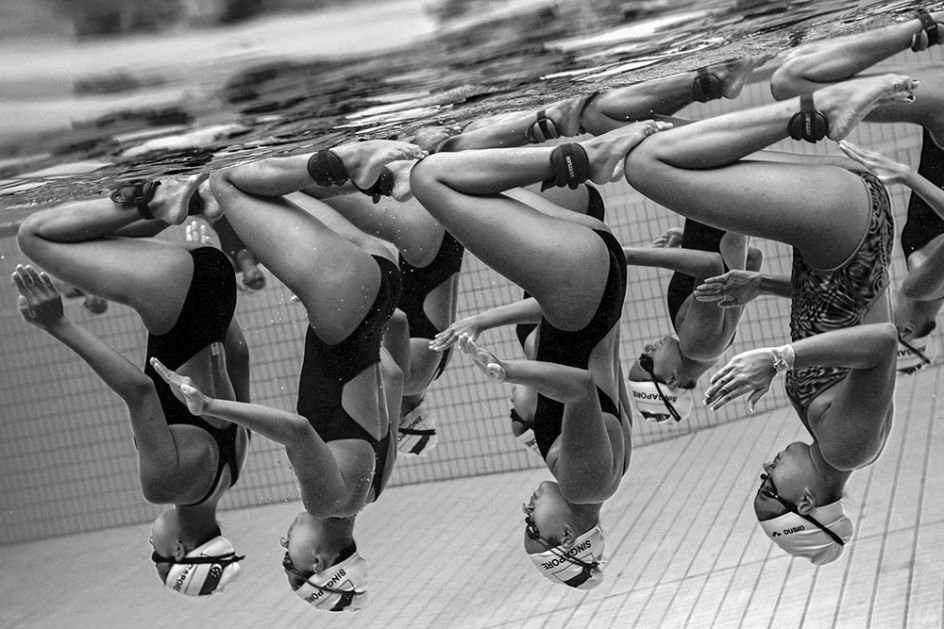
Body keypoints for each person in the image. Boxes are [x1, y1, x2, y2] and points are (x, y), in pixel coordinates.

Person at [623, 73, 915, 562]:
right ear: (804, 501)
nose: (766, 468)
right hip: (842, 234)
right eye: (768, 486)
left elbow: (842, 315)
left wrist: (762, 285)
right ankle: (817, 106)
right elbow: (882, 340)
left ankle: (803, 104)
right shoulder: (850, 449)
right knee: (648, 166)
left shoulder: (828, 437)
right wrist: (779, 358)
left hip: (842, 233)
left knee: (665, 145)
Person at [154, 139, 424, 612]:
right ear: (320, 560)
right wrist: (211, 406)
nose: (285, 545)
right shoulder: (327, 503)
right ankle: (347, 161)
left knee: (262, 196)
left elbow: (395, 372)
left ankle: (353, 160)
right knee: (231, 182)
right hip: (343, 297)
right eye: (291, 561)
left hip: (379, 286)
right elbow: (297, 432)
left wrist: (364, 317)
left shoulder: (374, 489)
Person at [411, 121, 672, 588]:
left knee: (466, 162)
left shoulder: (610, 475)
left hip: (587, 288)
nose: (526, 514)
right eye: (535, 529)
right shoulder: (584, 484)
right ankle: (592, 153)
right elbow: (579, 386)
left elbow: (590, 355)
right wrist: (506, 369)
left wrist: (482, 321)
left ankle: (562, 138)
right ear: (568, 533)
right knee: (431, 180)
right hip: (578, 286)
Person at [15, 174, 251, 596]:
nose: (152, 543)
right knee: (34, 238)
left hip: (214, 282)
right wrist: (57, 324)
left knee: (88, 240)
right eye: (156, 553)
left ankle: (177, 206)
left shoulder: (233, 468)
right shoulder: (165, 487)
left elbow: (239, 356)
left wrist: (213, 292)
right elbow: (139, 390)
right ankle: (157, 202)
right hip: (177, 295)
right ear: (179, 549)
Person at [769, 10, 944, 371]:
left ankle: (926, 27)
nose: (875, 314)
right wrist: (904, 174)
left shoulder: (931, 286)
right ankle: (926, 23)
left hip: (938, 126)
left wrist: (761, 283)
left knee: (806, 74)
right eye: (882, 324)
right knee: (792, 83)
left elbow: (839, 288)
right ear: (906, 328)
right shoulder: (920, 288)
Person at [311, 192, 463, 457]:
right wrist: (336, 300)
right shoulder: (409, 381)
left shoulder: (430, 374)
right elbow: (396, 318)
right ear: (401, 417)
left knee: (321, 195)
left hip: (431, 239)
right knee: (310, 194)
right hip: (423, 241)